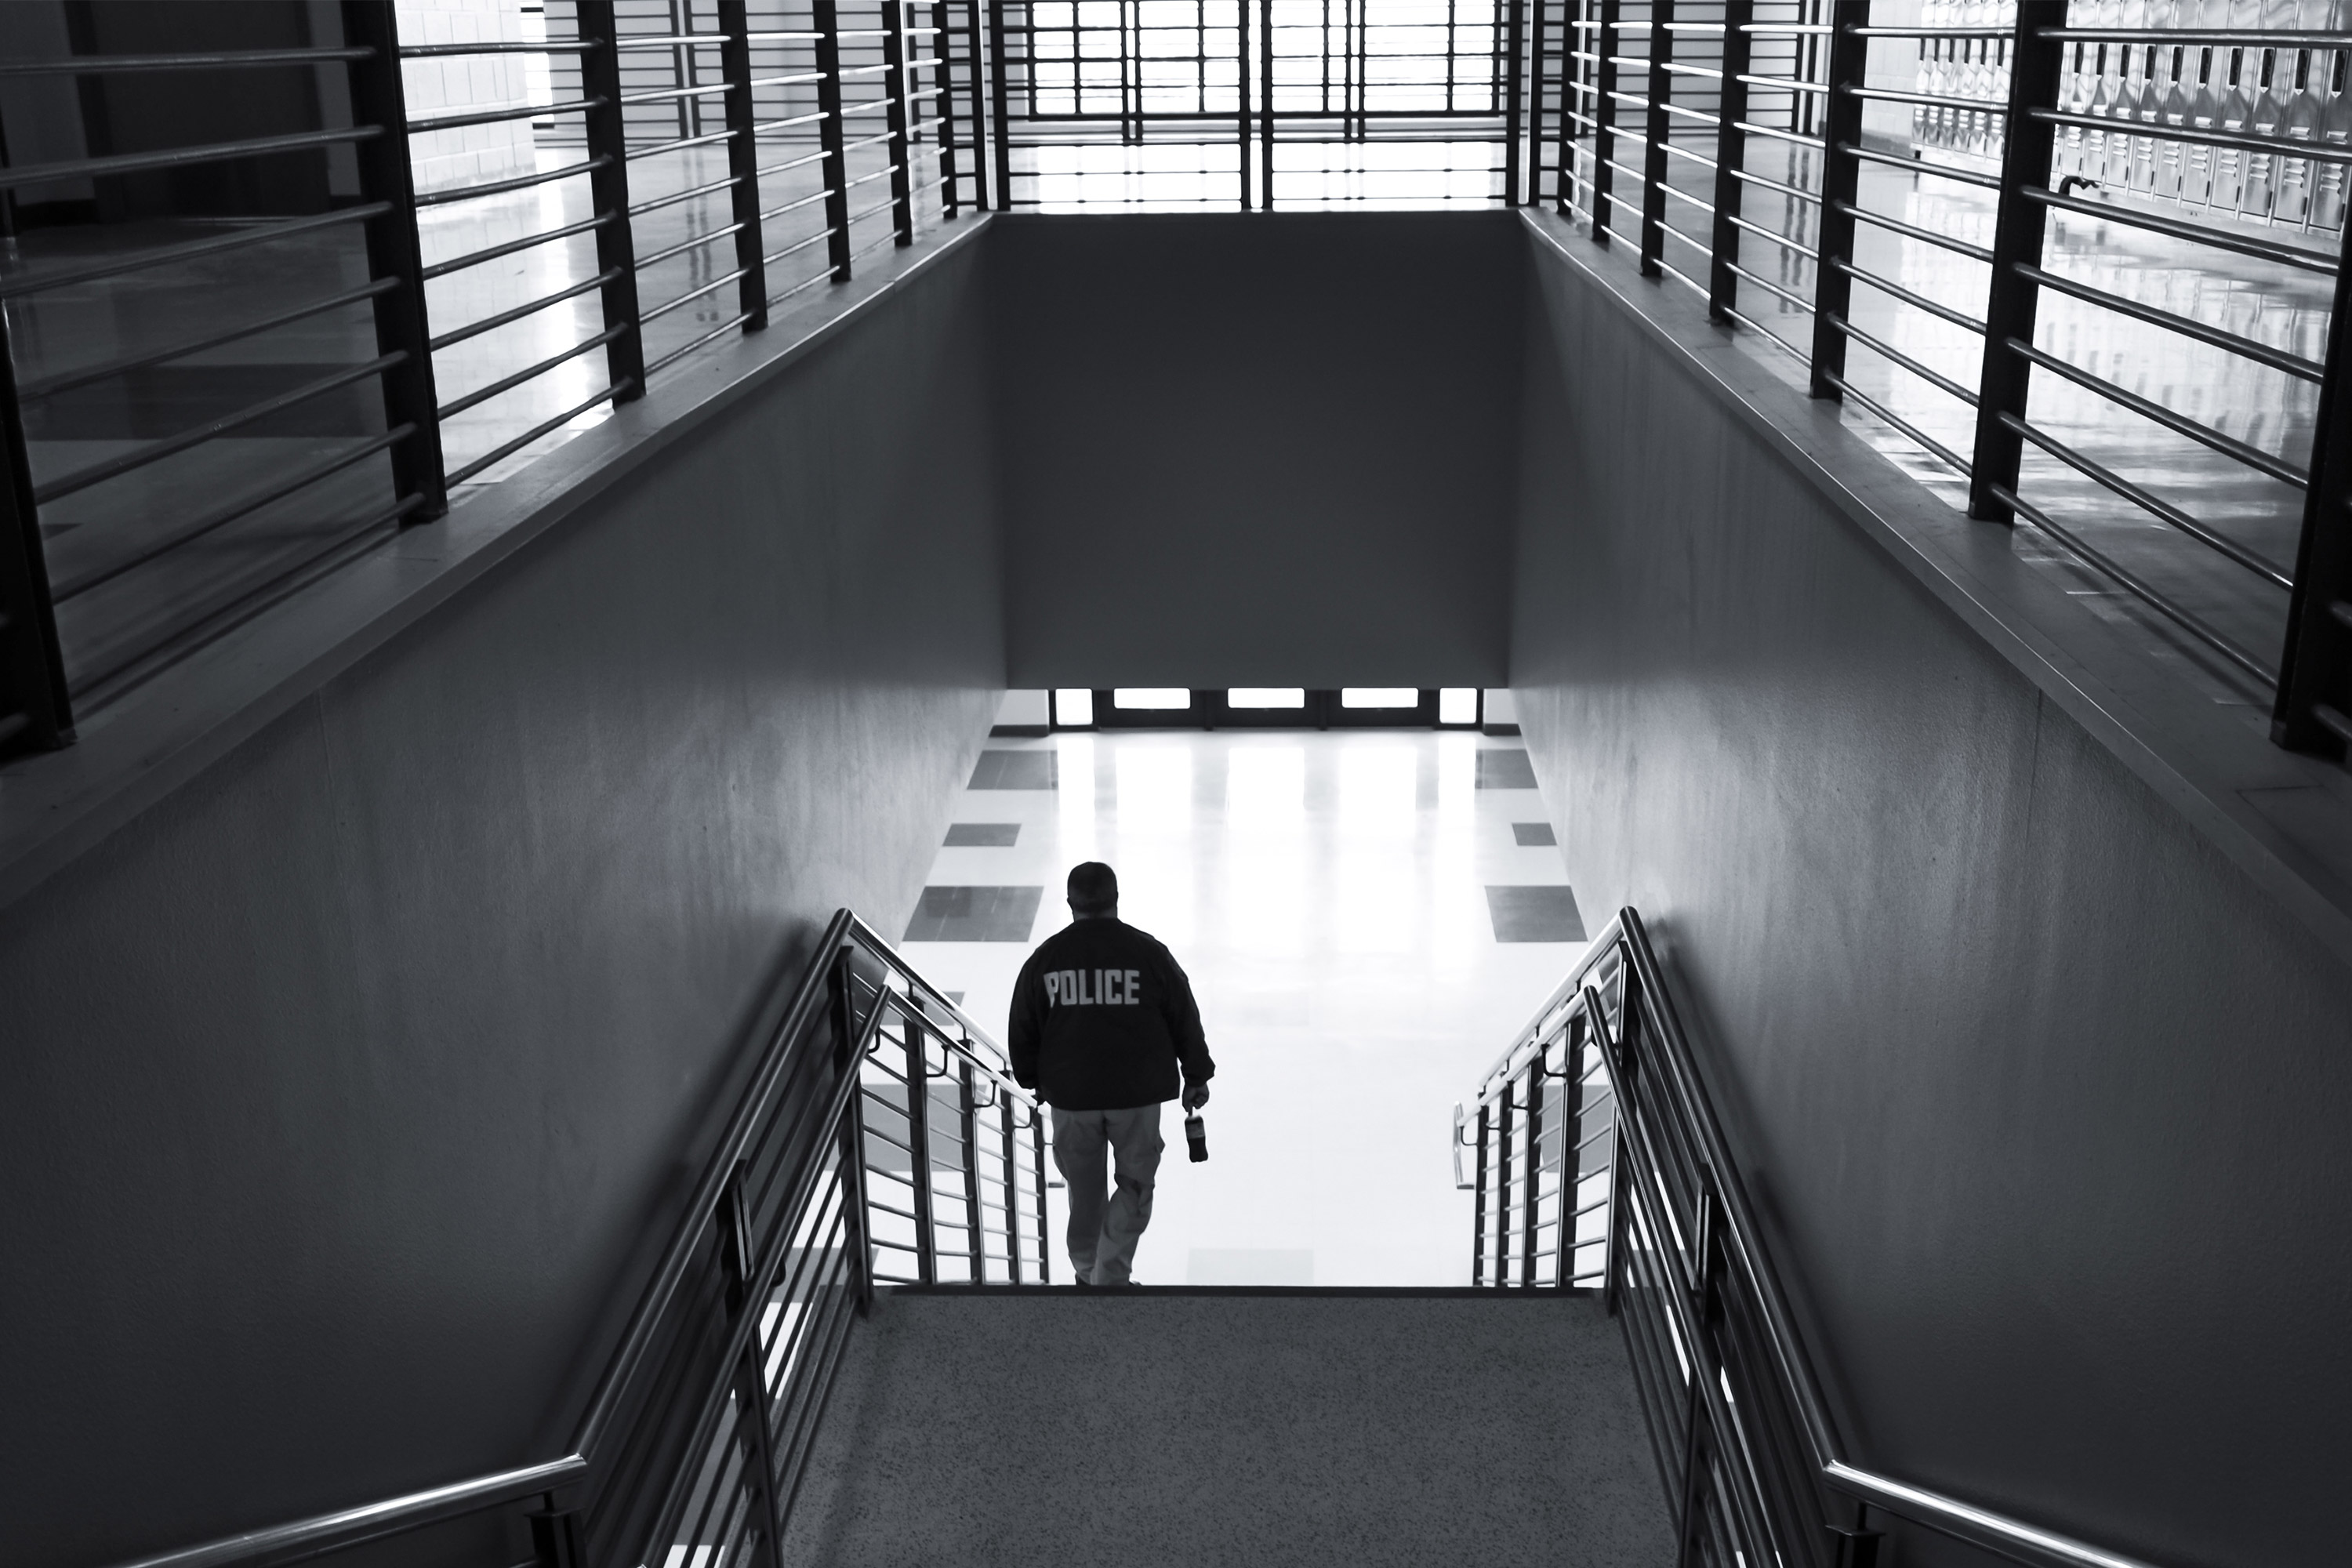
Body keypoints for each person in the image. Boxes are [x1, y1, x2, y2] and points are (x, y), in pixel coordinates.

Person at [1008, 862, 1214, 1287]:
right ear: (1116, 900)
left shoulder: (1045, 959)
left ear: (1071, 904)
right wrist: (1196, 1074)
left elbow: (1023, 1026)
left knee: (1083, 1195)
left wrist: (1032, 1080)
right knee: (1135, 1187)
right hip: (1135, 1095)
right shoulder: (1149, 954)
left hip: (1071, 1096)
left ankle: (1090, 1274)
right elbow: (1183, 1015)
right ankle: (1111, 1276)